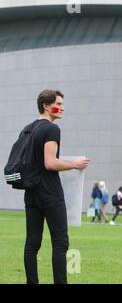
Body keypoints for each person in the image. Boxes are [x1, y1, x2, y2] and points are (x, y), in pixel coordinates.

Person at [23, 89, 90, 284]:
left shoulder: (28, 128)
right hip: (50, 193)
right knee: (60, 243)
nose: (62, 108)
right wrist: (75, 165)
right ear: (46, 105)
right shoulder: (52, 129)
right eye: (58, 104)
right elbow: (50, 163)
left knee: (32, 243)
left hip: (31, 192)